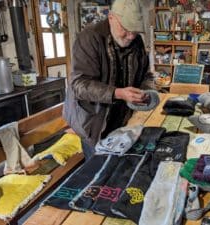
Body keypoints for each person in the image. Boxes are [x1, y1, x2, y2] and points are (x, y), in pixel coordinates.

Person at [63, 0, 153, 160]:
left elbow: (146, 75)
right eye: (125, 29)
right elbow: (79, 85)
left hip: (122, 119)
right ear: (111, 17)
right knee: (99, 171)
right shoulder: (89, 38)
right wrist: (117, 93)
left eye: (135, 31)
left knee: (120, 167)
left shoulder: (136, 41)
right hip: (93, 123)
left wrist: (145, 91)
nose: (131, 36)